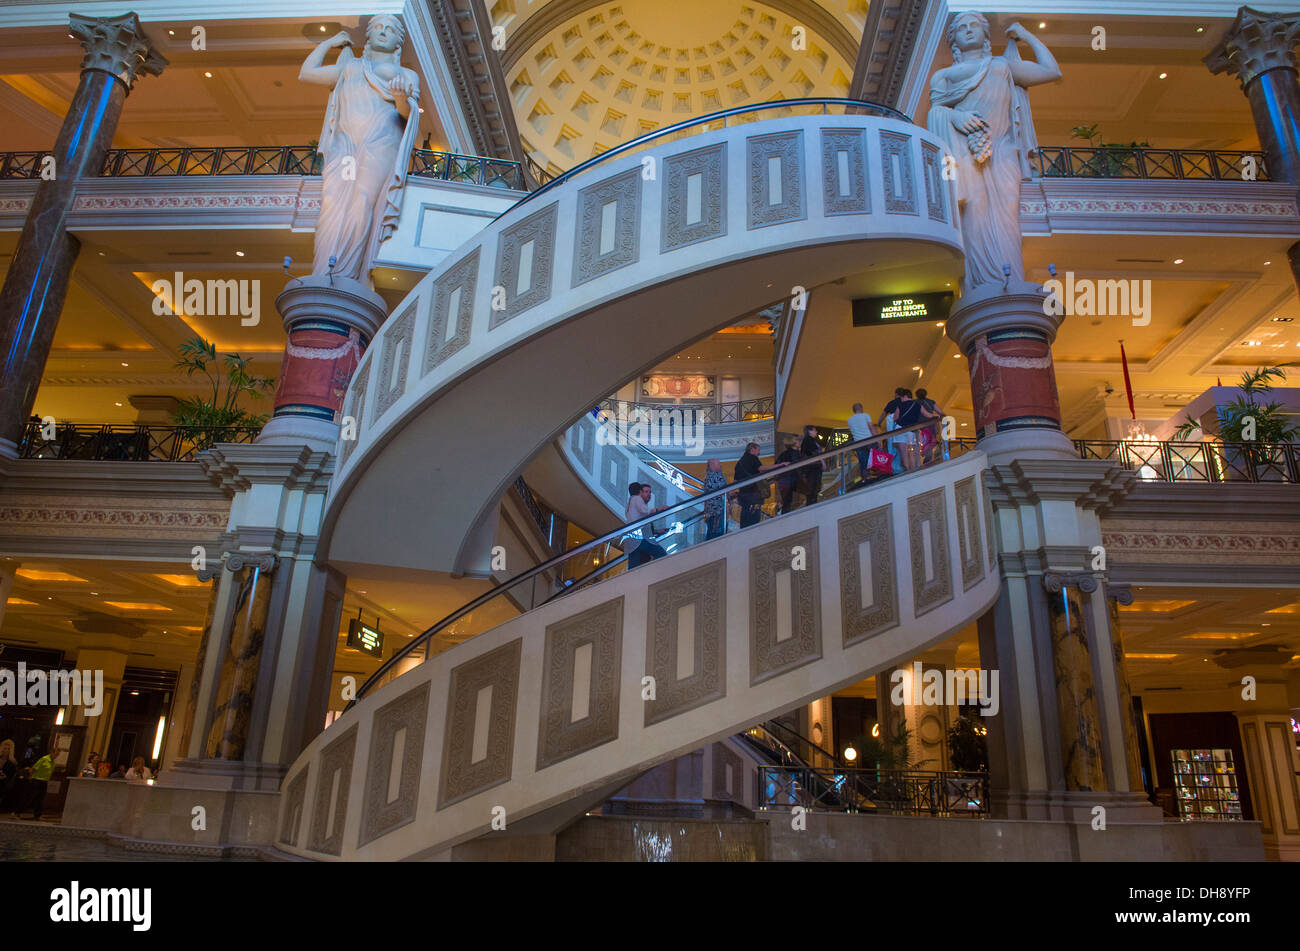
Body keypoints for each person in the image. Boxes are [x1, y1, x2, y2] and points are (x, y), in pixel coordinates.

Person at [926, 14, 1060, 293]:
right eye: (961, 28)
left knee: (1008, 215)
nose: (968, 30)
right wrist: (956, 117)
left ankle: (1011, 281)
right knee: (974, 212)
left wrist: (1025, 35)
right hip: (967, 152)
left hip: (1002, 150)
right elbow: (935, 114)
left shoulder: (1002, 66)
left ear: (986, 35)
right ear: (954, 40)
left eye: (974, 25)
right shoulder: (944, 76)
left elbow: (1051, 71)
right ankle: (983, 284)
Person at [299, 15, 421, 281]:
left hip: (381, 144)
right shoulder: (350, 67)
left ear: (398, 42)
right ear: (369, 35)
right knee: (332, 201)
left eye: (390, 29)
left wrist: (402, 98)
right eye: (378, 27)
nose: (383, 31)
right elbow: (306, 73)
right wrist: (329, 43)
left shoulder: (406, 74)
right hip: (346, 144)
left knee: (363, 199)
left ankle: (347, 273)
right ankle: (323, 270)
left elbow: (408, 114)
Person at [734, 442, 788, 528]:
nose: (759, 453)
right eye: (758, 450)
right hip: (753, 493)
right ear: (752, 450)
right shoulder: (752, 458)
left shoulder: (739, 463)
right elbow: (761, 468)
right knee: (754, 518)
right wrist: (780, 465)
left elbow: (736, 480)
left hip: (743, 494)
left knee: (745, 517)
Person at [624, 483, 669, 568]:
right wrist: (659, 509)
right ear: (640, 492)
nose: (649, 494)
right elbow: (645, 511)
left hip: (632, 539)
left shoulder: (630, 503)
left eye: (649, 492)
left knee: (634, 566)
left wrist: (656, 531)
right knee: (661, 554)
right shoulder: (637, 499)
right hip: (640, 538)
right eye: (645, 491)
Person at [894, 390, 940, 471]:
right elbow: (928, 415)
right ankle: (913, 471)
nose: (901, 399)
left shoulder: (900, 405)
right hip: (911, 431)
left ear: (905, 396)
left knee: (903, 454)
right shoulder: (917, 404)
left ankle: (907, 470)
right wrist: (936, 415)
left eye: (901, 398)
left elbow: (895, 418)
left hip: (900, 430)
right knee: (912, 452)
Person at [847, 403, 876, 482]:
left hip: (858, 443)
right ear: (861, 408)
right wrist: (877, 438)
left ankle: (865, 478)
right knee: (873, 459)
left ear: (853, 410)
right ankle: (874, 475)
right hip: (869, 440)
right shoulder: (866, 416)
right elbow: (871, 427)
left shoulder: (849, 420)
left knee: (863, 462)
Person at [773, 438, 802, 514]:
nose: (800, 441)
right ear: (793, 443)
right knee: (788, 502)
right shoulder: (796, 454)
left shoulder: (783, 454)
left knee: (787, 502)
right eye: (798, 440)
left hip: (784, 481)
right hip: (790, 480)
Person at [702, 458, 728, 539]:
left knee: (712, 533)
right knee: (716, 535)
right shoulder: (716, 476)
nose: (720, 465)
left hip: (711, 511)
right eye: (718, 464)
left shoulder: (708, 476)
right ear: (712, 465)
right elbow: (722, 490)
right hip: (717, 511)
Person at [916, 388, 944, 464]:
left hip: (920, 427)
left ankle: (925, 460)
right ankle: (930, 459)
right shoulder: (931, 402)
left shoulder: (915, 402)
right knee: (931, 442)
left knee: (922, 443)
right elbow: (940, 412)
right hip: (931, 425)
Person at [800, 426, 825, 506]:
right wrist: (822, 462)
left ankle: (811, 503)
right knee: (814, 487)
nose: (816, 432)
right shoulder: (809, 441)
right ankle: (812, 504)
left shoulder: (807, 441)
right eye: (814, 430)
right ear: (810, 431)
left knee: (813, 488)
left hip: (811, 468)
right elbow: (815, 453)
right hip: (813, 468)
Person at [27, 748, 53, 820]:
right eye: (56, 753)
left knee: (40, 799)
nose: (56, 755)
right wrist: (30, 777)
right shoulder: (44, 759)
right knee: (31, 796)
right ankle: (17, 811)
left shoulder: (52, 762)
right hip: (37, 780)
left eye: (58, 754)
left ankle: (37, 815)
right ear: (51, 752)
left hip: (44, 781)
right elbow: (34, 768)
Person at [0, 739, 18, 814]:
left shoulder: (12, 763)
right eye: (5, 748)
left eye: (8, 749)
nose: (6, 750)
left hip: (4, 784)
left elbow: (11, 776)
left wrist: (5, 777)